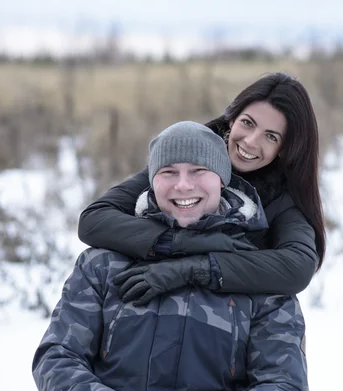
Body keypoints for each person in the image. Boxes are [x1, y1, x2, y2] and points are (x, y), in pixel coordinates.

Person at [33, 121, 310, 391]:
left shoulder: (257, 273)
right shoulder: (103, 263)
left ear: (222, 178)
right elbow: (57, 360)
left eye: (198, 170)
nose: (182, 185)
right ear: (151, 181)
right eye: (168, 172)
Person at [77, 72, 325, 305]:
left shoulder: (282, 198)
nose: (250, 142)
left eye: (271, 136)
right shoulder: (187, 156)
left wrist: (196, 267)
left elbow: (298, 266)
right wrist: (177, 243)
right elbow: (94, 220)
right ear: (232, 118)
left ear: (284, 148)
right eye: (248, 123)